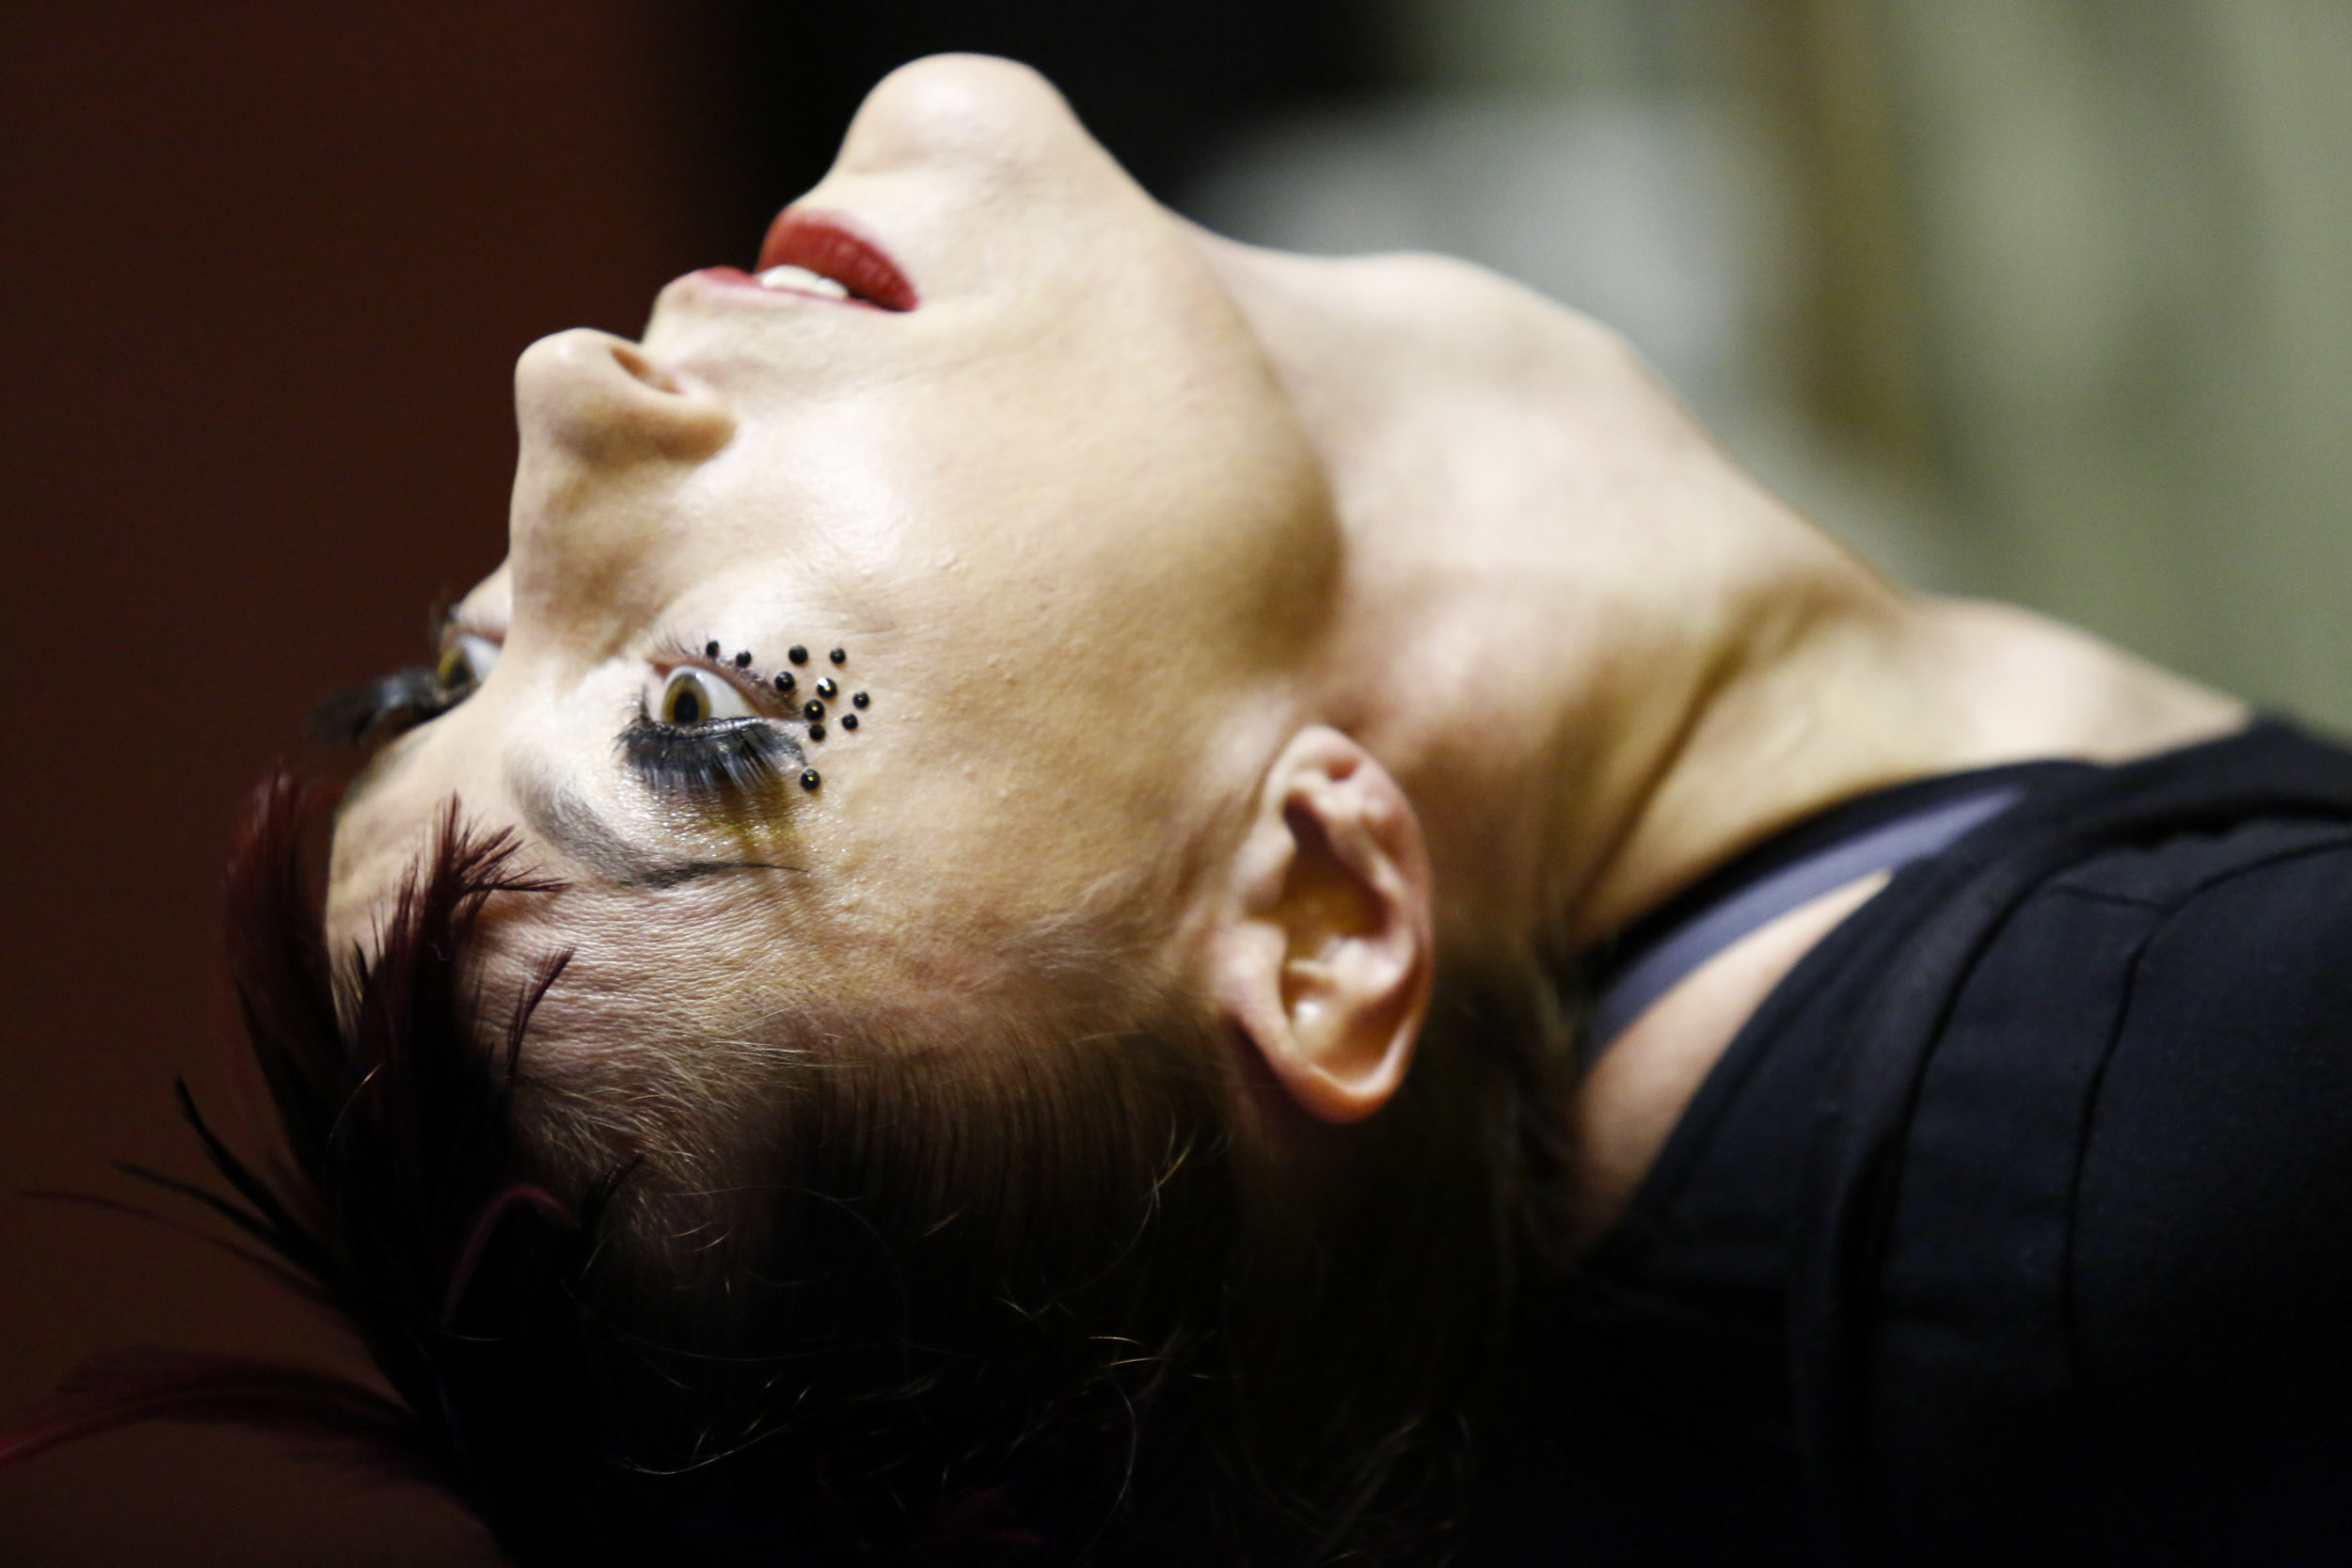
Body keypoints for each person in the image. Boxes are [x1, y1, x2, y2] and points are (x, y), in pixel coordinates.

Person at [9, 54, 2352, 1568]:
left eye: (445, 662)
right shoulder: (2196, 1135)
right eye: (701, 715)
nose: (556, 406)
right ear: (1323, 914)